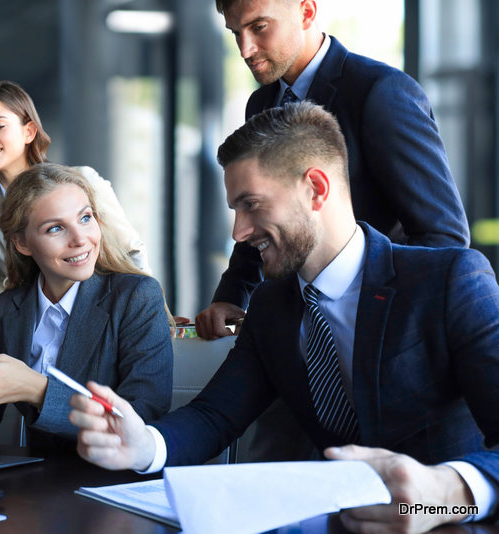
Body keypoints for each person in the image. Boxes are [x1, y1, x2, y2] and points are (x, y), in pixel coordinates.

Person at [70, 103, 499, 532]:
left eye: (251, 204)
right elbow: (215, 415)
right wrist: (144, 445)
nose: (238, 232)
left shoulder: (449, 281)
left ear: (316, 188)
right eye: (235, 210)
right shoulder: (273, 306)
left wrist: (445, 496)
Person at [194, 0, 470, 340]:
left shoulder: (381, 92)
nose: (245, 49)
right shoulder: (261, 102)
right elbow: (259, 210)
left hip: (377, 331)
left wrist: (386, 327)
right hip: (297, 337)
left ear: (307, 12)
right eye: (236, 33)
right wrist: (229, 298)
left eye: (259, 27)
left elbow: (443, 236)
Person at [0, 163, 172, 451]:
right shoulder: (4, 310)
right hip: (36, 479)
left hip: (111, 479)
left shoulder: (136, 297)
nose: (80, 239)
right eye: (56, 228)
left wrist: (38, 390)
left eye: (85, 218)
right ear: (22, 242)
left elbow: (143, 415)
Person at [0, 80, 150, 303]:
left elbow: (130, 253)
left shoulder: (83, 181)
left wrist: (151, 314)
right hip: (37, 330)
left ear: (28, 132)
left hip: (108, 319)